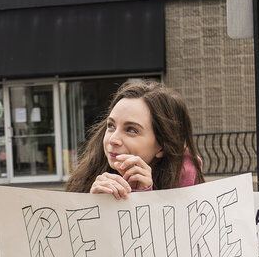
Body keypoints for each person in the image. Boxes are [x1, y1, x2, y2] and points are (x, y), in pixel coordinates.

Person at [65, 79, 204, 199]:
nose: (113, 139)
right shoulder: (87, 175)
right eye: (111, 125)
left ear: (162, 146)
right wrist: (92, 205)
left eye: (131, 130)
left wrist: (143, 196)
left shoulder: (185, 178)